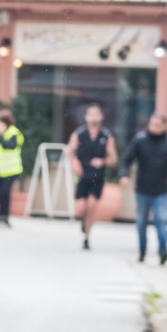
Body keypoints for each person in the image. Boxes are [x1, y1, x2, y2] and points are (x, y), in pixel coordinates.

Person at [120, 112, 167, 264]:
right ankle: (142, 251)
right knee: (141, 223)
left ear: (164, 126)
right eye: (152, 124)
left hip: (161, 190)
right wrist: (124, 174)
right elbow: (126, 159)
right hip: (142, 189)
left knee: (161, 221)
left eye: (158, 125)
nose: (154, 127)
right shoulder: (140, 140)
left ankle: (163, 251)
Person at [67, 103, 118, 251]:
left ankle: (86, 237)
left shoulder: (106, 136)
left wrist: (102, 161)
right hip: (82, 175)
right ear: (86, 117)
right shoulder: (79, 134)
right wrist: (74, 162)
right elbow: (69, 151)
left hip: (97, 176)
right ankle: (83, 222)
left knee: (92, 206)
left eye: (96, 114)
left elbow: (113, 159)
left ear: (101, 117)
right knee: (80, 209)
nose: (93, 117)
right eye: (91, 114)